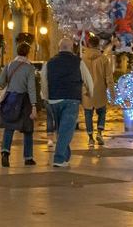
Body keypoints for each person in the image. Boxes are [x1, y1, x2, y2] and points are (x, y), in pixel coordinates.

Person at [42, 37, 93, 168]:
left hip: (54, 99)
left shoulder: (49, 63)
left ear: (59, 48)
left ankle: (65, 157)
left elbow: (44, 82)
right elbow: (88, 80)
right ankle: (59, 159)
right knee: (66, 130)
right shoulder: (78, 62)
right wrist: (90, 93)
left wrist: (46, 98)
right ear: (71, 48)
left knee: (61, 129)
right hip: (72, 98)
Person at [0, 42, 38, 167]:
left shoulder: (9, 65)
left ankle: (5, 152)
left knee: (9, 126)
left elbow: (0, 82)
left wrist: (10, 86)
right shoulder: (29, 68)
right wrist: (34, 105)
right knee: (28, 129)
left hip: (11, 99)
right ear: (28, 53)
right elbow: (31, 88)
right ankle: (28, 157)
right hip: (25, 101)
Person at [81, 35, 113, 146]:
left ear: (89, 44)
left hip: (87, 91)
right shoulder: (103, 59)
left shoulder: (83, 59)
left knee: (88, 114)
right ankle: (99, 132)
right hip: (100, 90)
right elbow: (109, 77)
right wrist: (112, 94)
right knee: (102, 112)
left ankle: (90, 138)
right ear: (98, 45)